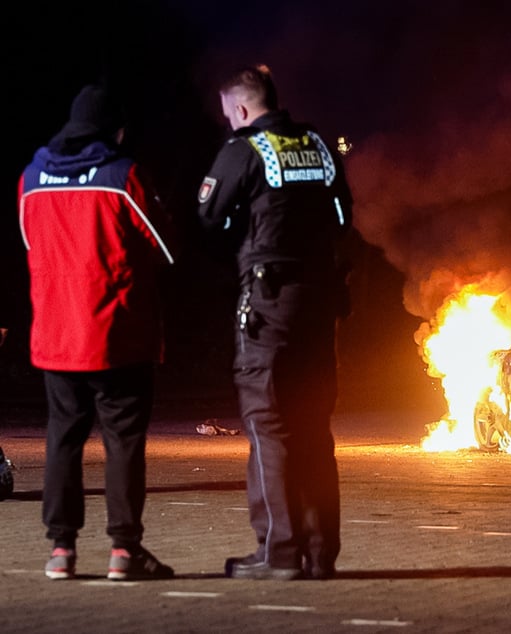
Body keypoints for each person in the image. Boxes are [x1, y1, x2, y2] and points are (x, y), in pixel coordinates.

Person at [196, 64, 353, 580]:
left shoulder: (245, 148)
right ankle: (319, 551)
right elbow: (342, 217)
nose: (229, 124)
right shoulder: (317, 145)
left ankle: (278, 553)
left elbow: (208, 216)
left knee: (269, 424)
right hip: (320, 299)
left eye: (228, 116)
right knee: (313, 424)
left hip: (269, 303)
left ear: (241, 109)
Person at [18, 83, 176, 581]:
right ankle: (123, 551)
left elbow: (29, 243)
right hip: (117, 335)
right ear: (117, 130)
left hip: (56, 334)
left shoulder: (30, 178)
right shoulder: (122, 174)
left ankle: (60, 550)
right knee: (123, 442)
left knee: (62, 440)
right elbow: (166, 245)